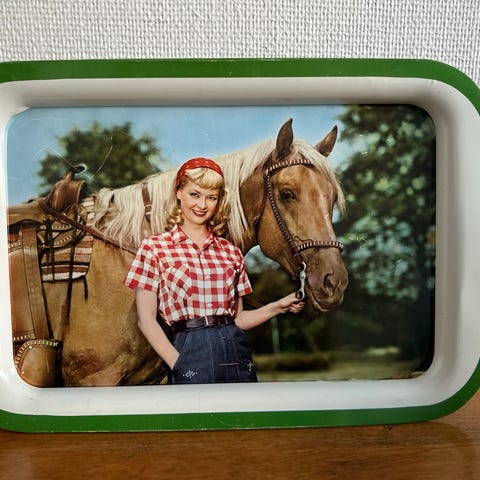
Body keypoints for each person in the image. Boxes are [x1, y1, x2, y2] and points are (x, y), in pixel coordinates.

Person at [124, 157, 305, 384]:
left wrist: (278, 306)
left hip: (235, 349)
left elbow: (238, 319)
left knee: (245, 407)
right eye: (195, 194)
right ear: (179, 192)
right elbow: (146, 320)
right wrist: (178, 363)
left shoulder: (231, 252)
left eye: (211, 197)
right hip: (188, 350)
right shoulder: (154, 248)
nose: (202, 205)